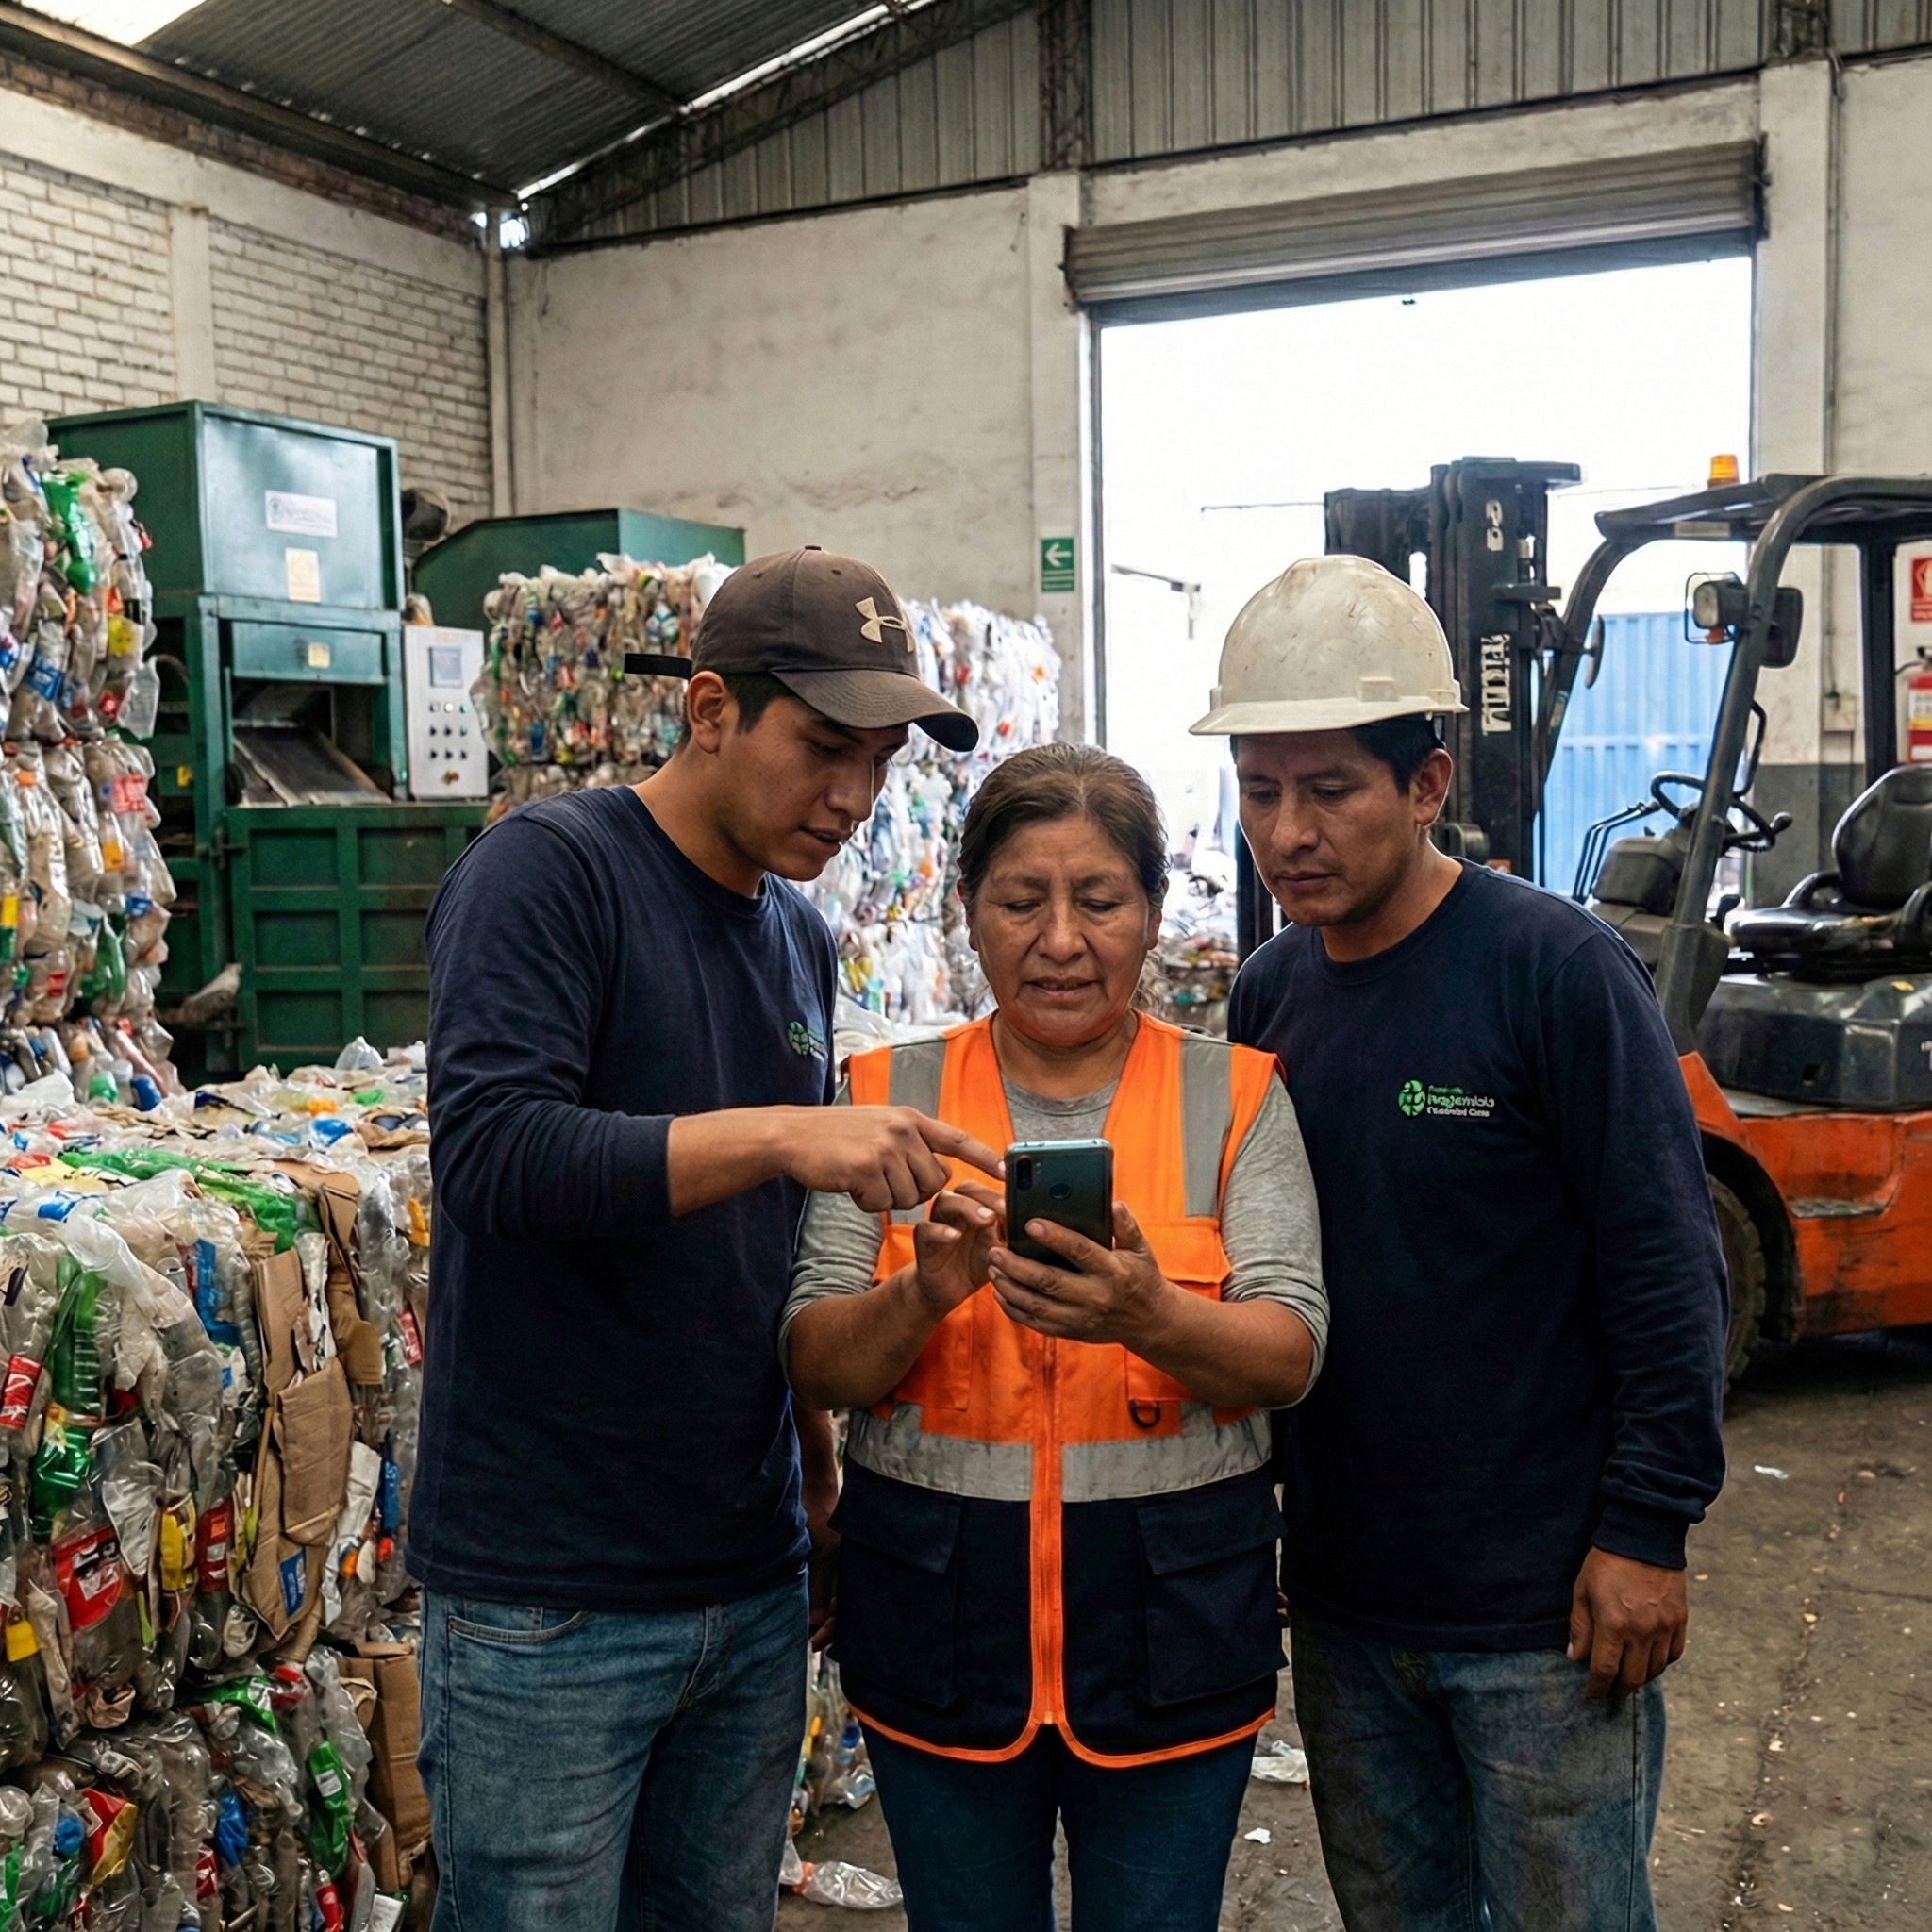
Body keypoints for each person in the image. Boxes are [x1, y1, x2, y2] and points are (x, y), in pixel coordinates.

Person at [412, 546, 1007, 1932]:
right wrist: (785, 1133)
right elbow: (495, 1154)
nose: (852, 798)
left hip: (743, 1579)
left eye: (878, 763)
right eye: (824, 749)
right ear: (708, 710)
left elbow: (765, 1257)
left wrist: (813, 1471)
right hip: (552, 1596)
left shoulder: (795, 937)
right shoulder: (548, 874)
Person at [1191, 555, 1728, 1931]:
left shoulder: (1554, 971)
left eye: (1330, 791)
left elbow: (1667, 1266)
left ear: (1426, 783)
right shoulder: (1269, 994)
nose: (1288, 832)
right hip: (1349, 1606)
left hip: (1543, 1616)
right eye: (1259, 790)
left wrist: (1646, 1530)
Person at [783, 743, 1329, 1932]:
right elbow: (814, 1358)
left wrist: (1147, 1312)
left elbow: (1289, 1348)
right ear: (968, 910)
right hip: (938, 1638)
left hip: (1172, 1640)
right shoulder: (883, 1095)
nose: (1061, 940)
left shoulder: (1235, 1095)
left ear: (1152, 911)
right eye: (1021, 901)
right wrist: (921, 1292)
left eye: (1099, 900)